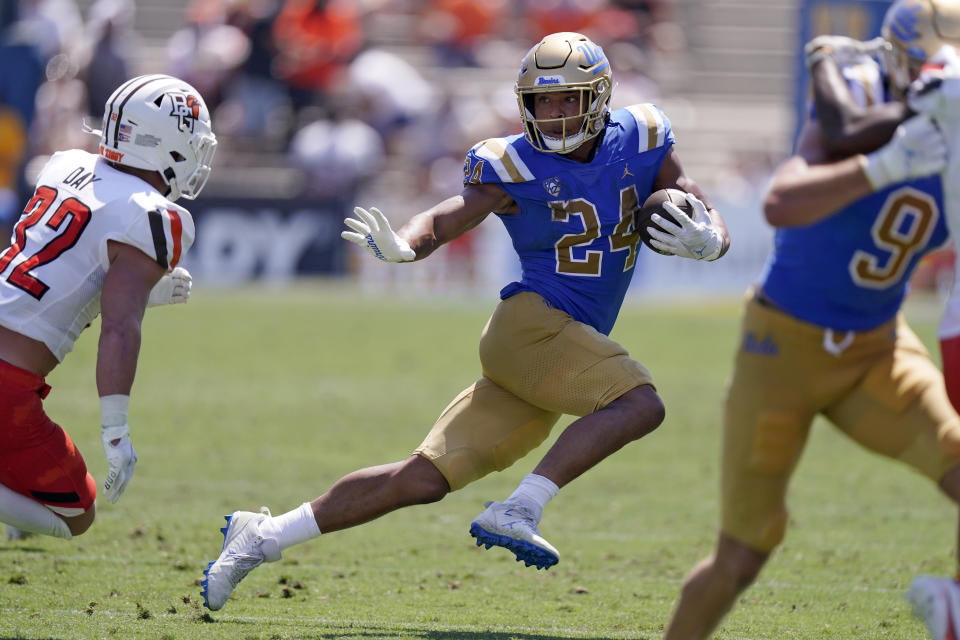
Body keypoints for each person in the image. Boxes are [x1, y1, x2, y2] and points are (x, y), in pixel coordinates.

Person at [200, 31, 731, 612]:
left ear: (599, 98)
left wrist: (712, 240)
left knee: (421, 479)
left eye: (566, 100)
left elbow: (692, 200)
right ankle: (520, 508)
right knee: (639, 403)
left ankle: (262, 536)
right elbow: (450, 216)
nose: (552, 115)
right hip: (529, 329)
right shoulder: (513, 162)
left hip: (560, 350)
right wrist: (408, 243)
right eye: (542, 102)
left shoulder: (645, 136)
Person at [661, 2, 960, 638]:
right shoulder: (856, 102)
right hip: (782, 355)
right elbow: (782, 202)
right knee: (743, 553)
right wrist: (885, 165)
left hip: (878, 349)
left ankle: (951, 608)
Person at [0, 74, 215, 543]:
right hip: (6, 386)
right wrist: (115, 430)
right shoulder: (154, 215)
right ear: (167, 145)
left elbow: (61, 267)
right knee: (77, 515)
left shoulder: (64, 166)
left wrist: (133, 288)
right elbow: (119, 327)